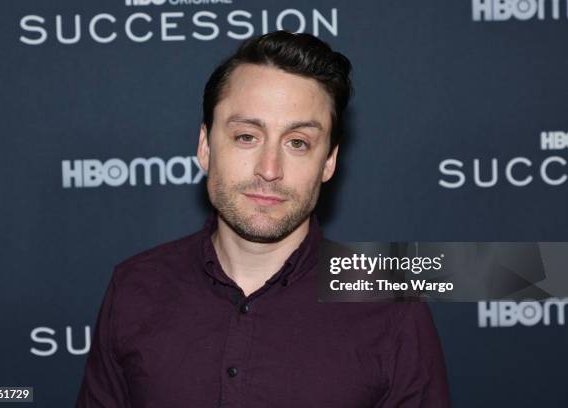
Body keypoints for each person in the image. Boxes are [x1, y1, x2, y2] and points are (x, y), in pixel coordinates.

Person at [76, 30, 450, 407]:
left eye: (298, 142)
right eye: (246, 137)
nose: (269, 169)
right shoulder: (135, 287)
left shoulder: (392, 307)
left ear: (329, 162)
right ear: (205, 147)